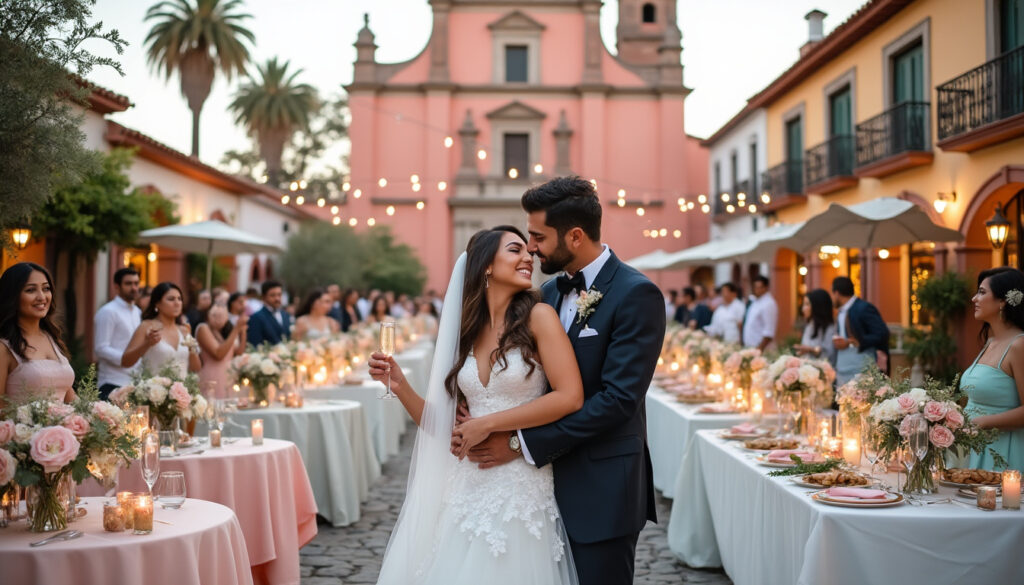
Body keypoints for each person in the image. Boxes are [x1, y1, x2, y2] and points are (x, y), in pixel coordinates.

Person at [460, 176, 665, 583]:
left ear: (574, 236)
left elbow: (617, 400)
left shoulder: (636, 294)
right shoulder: (547, 294)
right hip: (534, 493)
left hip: (600, 487)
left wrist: (521, 443)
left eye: (538, 236)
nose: (531, 247)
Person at [369, 225, 584, 584]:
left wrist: (488, 424)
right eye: (515, 250)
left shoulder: (539, 317)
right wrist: (399, 383)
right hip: (466, 484)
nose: (527, 257)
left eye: (527, 252)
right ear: (486, 265)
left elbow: (570, 396)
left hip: (520, 484)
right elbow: (444, 426)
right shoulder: (466, 331)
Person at [960, 267, 1024, 471]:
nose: (974, 299)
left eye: (981, 292)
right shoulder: (990, 341)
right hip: (976, 448)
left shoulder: (1019, 345)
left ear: (1003, 301)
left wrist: (982, 423)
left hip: (1003, 452)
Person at [0, 262, 75, 406]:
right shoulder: (3, 347)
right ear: (13, 296)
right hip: (20, 427)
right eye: (30, 290)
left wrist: (100, 415)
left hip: (63, 427)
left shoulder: (52, 338)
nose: (42, 297)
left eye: (46, 288)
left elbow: (67, 395)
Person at [121, 282, 201, 379]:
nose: (177, 303)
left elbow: (195, 369)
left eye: (179, 299)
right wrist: (147, 343)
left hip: (180, 391)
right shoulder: (147, 326)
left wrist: (191, 346)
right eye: (171, 299)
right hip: (152, 391)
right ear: (157, 303)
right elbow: (125, 362)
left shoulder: (184, 330)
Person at [831, 276, 890, 386]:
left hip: (861, 371)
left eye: (832, 294)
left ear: (837, 293)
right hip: (843, 371)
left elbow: (882, 333)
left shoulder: (864, 308)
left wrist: (854, 341)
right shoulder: (841, 311)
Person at [94, 267, 142, 400]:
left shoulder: (137, 312)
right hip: (112, 382)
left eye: (136, 283)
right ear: (117, 286)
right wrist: (126, 359)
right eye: (128, 283)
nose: (134, 287)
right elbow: (101, 348)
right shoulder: (108, 312)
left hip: (134, 383)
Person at [196, 303, 247, 398]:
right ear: (208, 315)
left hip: (226, 378)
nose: (219, 319)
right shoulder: (203, 328)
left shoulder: (220, 332)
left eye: (222, 316)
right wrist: (236, 329)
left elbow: (238, 352)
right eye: (215, 315)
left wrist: (243, 332)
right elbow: (219, 354)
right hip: (212, 378)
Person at [793, 289, 836, 364]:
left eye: (807, 304)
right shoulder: (810, 325)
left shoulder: (830, 328)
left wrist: (810, 350)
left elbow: (829, 356)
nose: (803, 309)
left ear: (817, 306)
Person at [246, 281, 291, 347]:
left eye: (279, 295)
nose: (277, 298)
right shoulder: (256, 318)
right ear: (263, 297)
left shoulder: (285, 315)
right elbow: (254, 345)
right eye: (272, 295)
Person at [742, 275, 779, 351]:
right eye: (755, 287)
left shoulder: (769, 303)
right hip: (750, 347)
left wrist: (759, 350)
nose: (757, 290)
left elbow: (769, 331)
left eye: (759, 287)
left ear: (766, 288)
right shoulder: (755, 301)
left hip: (761, 349)